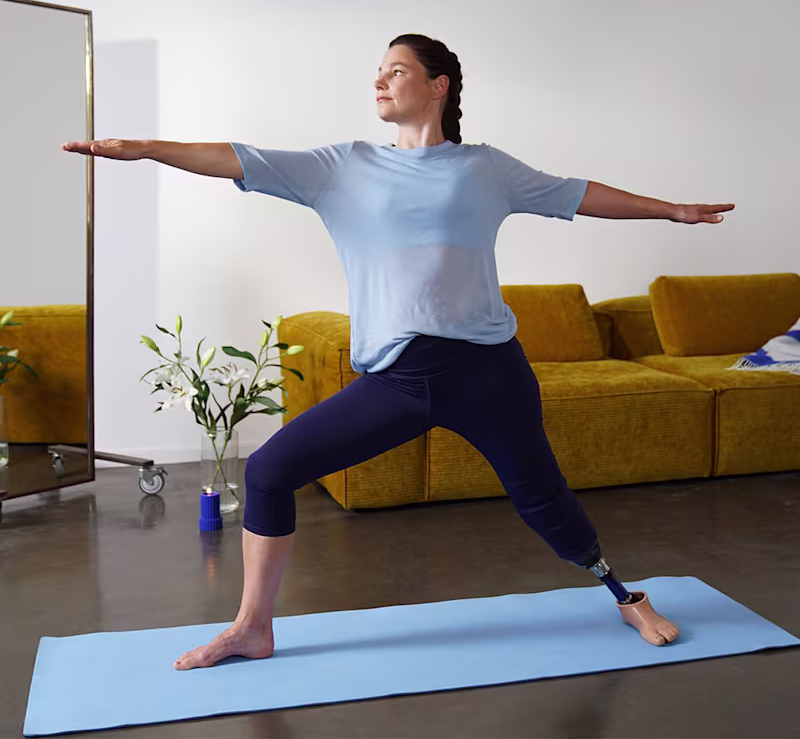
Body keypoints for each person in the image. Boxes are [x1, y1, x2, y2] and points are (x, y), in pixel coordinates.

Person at [63, 34, 734, 670]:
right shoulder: (341, 167)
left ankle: (626, 596)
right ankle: (252, 628)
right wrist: (146, 148)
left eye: (397, 69)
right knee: (269, 471)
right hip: (398, 379)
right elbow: (237, 157)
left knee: (546, 505)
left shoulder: (485, 168)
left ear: (438, 86)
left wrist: (671, 210)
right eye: (378, 71)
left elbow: (577, 195)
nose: (380, 80)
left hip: (488, 373)